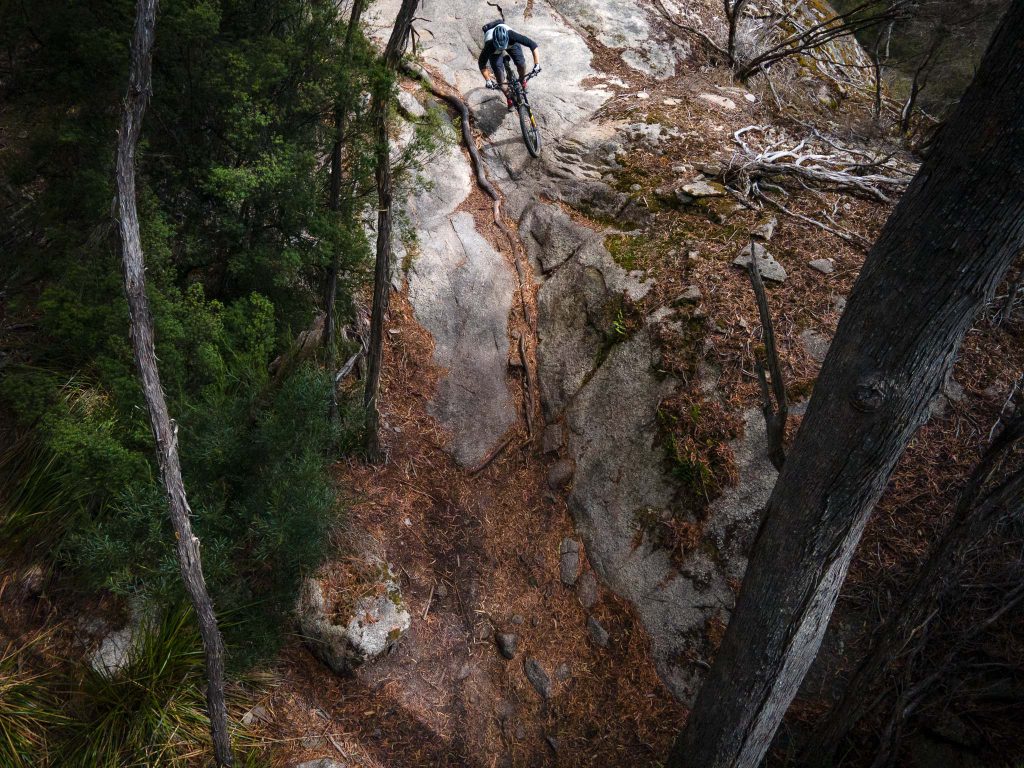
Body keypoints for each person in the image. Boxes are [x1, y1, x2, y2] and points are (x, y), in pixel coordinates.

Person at [478, 20, 541, 111]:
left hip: (511, 44)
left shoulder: (512, 35)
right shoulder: (489, 46)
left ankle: (522, 80)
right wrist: (488, 80)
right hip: (494, 52)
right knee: (500, 79)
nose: (502, 49)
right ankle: (509, 97)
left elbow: (533, 45)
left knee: (521, 64)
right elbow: (481, 64)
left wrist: (537, 64)